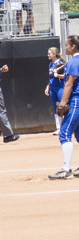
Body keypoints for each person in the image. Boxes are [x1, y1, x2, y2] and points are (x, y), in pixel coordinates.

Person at [49, 35, 79, 179]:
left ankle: (66, 169)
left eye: (67, 45)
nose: (65, 47)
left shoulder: (73, 61)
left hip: (76, 101)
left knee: (64, 133)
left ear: (73, 46)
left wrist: (62, 103)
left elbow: (69, 84)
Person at [45, 47, 66, 136]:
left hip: (60, 87)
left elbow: (65, 76)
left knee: (63, 107)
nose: (48, 55)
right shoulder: (51, 64)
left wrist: (58, 75)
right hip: (52, 87)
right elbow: (50, 77)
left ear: (54, 54)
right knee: (55, 107)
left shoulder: (60, 63)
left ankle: (66, 126)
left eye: (49, 53)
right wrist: (48, 86)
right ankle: (58, 128)